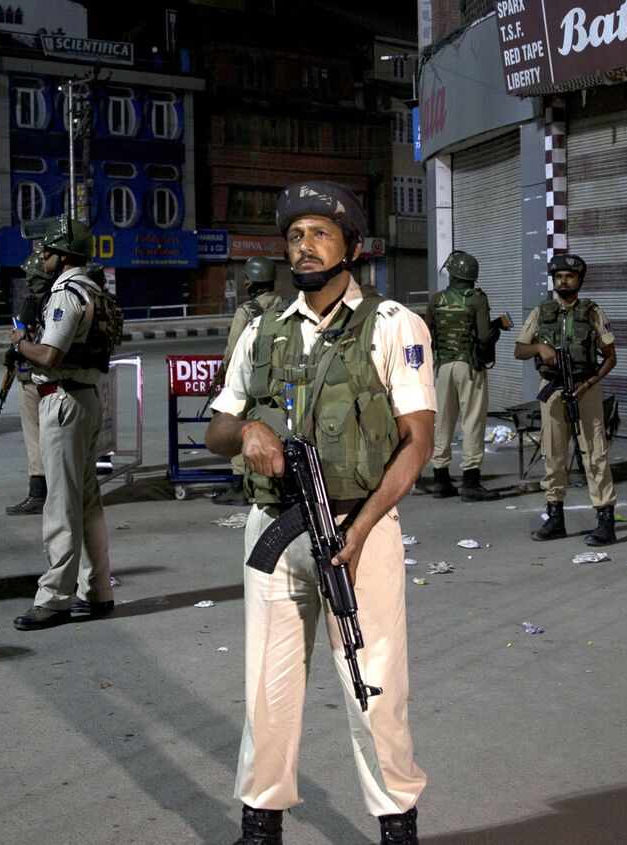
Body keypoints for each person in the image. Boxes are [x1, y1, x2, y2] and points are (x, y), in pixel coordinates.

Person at [205, 181, 431, 845]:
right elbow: (217, 425)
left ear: (352, 248)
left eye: (321, 234)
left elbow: (419, 440)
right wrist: (247, 429)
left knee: (375, 681)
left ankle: (396, 823)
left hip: (358, 526)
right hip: (275, 531)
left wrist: (360, 531)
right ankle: (260, 820)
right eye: (296, 235)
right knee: (268, 685)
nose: (305, 247)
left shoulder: (392, 326)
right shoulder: (263, 330)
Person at [7, 218, 123, 631]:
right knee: (87, 501)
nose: (42, 258)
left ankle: (54, 597)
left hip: (64, 400)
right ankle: (97, 592)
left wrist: (19, 344)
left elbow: (50, 356)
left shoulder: (66, 294)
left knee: (60, 504)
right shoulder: (93, 289)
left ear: (63, 256)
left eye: (47, 252)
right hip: (87, 399)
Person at [514, 253, 619, 546]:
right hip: (552, 388)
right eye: (559, 276)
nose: (563, 280)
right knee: (554, 453)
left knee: (594, 452)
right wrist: (539, 348)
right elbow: (519, 350)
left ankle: (605, 520)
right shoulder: (541, 311)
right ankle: (555, 518)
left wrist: (589, 384)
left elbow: (611, 357)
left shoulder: (592, 312)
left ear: (579, 281)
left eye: (569, 276)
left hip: (585, 387)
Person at [425, 250, 507, 501]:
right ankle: (470, 482)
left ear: (452, 273)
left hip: (442, 367)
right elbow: (483, 336)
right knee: (472, 421)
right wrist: (497, 328)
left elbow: (427, 335)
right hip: (469, 367)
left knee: (443, 422)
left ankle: (441, 479)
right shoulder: (477, 299)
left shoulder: (436, 299)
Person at [211, 256, 285, 507]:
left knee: (240, 425)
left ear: (252, 282)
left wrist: (221, 375)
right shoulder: (284, 305)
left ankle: (239, 486)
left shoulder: (247, 311)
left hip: (248, 377)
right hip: (275, 378)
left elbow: (233, 350)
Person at [6, 253, 54, 516]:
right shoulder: (55, 298)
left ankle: (38, 493)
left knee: (35, 439)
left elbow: (30, 345)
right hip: (50, 379)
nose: (27, 280)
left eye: (31, 276)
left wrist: (17, 344)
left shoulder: (42, 303)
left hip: (37, 379)